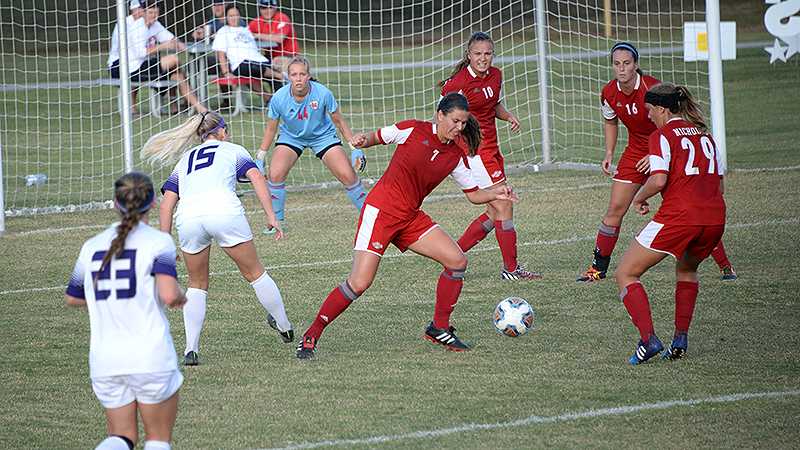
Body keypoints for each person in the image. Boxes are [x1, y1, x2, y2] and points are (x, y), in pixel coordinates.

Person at [295, 93, 519, 359]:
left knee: (457, 261)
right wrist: (360, 141)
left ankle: (439, 327)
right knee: (359, 283)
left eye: (463, 123)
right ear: (440, 115)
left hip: (410, 217)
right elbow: (376, 136)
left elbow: (473, 195)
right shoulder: (413, 129)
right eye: (455, 121)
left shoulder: (456, 155)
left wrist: (497, 192)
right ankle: (312, 334)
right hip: (381, 211)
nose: (459, 128)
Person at [141, 111, 293, 366]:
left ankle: (191, 349)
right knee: (255, 273)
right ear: (221, 131)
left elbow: (167, 204)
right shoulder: (233, 149)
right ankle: (285, 326)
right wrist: (272, 215)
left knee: (197, 283)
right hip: (223, 212)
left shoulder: (185, 159)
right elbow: (256, 177)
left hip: (188, 218)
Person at [576, 42, 735, 282]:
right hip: (634, 153)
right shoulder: (608, 92)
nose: (621, 69)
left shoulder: (652, 89)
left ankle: (725, 266)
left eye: (627, 64)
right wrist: (609, 153)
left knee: (690, 205)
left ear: (636, 65)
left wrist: (656, 155)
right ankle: (597, 269)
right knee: (615, 209)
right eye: (617, 64)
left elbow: (671, 124)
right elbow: (610, 122)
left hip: (665, 150)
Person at [65, 172, 187, 450]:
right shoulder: (159, 242)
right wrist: (180, 296)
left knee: (120, 438)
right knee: (157, 439)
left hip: (106, 360)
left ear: (114, 204)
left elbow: (73, 297)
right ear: (154, 203)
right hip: (150, 357)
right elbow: (169, 294)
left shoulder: (91, 246)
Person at [615, 82, 726, 365]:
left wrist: (639, 198)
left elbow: (659, 179)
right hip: (715, 218)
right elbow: (720, 184)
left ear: (662, 109)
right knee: (687, 270)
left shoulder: (662, 135)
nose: (648, 116)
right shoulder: (705, 136)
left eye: (650, 110)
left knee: (626, 273)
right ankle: (679, 341)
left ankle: (648, 339)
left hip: (680, 217)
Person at [440, 32, 541, 281]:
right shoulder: (457, 84)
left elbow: (492, 104)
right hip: (475, 151)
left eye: (487, 53)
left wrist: (508, 116)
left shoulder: (496, 75)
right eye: (477, 54)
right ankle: (511, 269)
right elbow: (441, 118)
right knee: (503, 202)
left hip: (492, 149)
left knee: (494, 212)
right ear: (468, 55)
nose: (483, 58)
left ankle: (453, 254)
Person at [255, 56, 367, 233]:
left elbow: (339, 122)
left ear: (308, 76)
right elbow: (270, 129)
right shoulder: (279, 98)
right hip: (291, 137)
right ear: (288, 77)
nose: (298, 78)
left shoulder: (323, 93)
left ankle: (370, 216)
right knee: (275, 174)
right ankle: (275, 221)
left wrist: (355, 149)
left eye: (302, 74)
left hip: (323, 137)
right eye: (294, 74)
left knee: (348, 175)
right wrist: (260, 157)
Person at [108, 0, 208, 114]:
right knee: (173, 60)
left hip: (143, 65)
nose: (154, 16)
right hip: (130, 68)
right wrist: (162, 46)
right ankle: (183, 102)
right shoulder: (135, 27)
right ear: (143, 12)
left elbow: (169, 37)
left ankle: (200, 108)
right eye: (151, 13)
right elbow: (140, 53)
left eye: (156, 13)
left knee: (177, 75)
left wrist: (179, 44)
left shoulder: (154, 24)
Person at [212, 4, 285, 104]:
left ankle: (280, 102)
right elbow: (221, 54)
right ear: (226, 17)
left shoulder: (246, 30)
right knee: (253, 68)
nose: (234, 18)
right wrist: (226, 72)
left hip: (259, 61)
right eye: (231, 16)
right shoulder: (223, 31)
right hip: (241, 64)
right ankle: (278, 78)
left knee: (273, 78)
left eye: (236, 15)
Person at [192, 0, 247, 109]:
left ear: (226, 5)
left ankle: (227, 100)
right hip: (219, 58)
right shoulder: (213, 21)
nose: (216, 7)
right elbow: (196, 34)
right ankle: (192, 102)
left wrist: (213, 34)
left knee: (222, 63)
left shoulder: (237, 21)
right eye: (214, 5)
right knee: (194, 65)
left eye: (220, 4)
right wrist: (199, 33)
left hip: (235, 59)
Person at [248, 0, 300, 76]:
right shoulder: (255, 23)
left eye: (270, 7)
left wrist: (257, 35)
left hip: (288, 57)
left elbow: (279, 38)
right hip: (268, 58)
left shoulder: (282, 18)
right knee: (252, 66)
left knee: (277, 63)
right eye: (264, 8)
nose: (267, 10)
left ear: (275, 7)